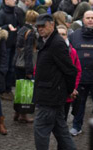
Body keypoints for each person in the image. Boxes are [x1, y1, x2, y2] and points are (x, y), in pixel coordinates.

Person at [33, 14, 77, 150]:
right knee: (61, 132)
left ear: (52, 25)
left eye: (43, 26)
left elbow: (70, 70)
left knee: (40, 130)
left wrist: (69, 91)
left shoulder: (57, 43)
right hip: (51, 95)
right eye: (38, 26)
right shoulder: (47, 41)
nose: (40, 29)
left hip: (49, 97)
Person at [0, 0, 25, 101]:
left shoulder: (15, 12)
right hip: (5, 45)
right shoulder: (1, 13)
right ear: (6, 0)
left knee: (12, 67)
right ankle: (2, 90)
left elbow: (18, 24)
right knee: (5, 67)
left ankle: (8, 88)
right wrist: (6, 26)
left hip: (14, 43)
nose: (15, 1)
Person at [13, 10, 39, 123]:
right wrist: (29, 70)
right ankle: (23, 115)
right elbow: (29, 51)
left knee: (20, 88)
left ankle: (17, 112)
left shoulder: (22, 29)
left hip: (18, 63)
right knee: (27, 90)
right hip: (25, 65)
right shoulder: (31, 32)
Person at [57, 25, 81, 121]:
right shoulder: (47, 49)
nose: (61, 36)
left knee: (63, 120)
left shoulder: (73, 52)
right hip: (52, 93)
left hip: (67, 92)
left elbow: (78, 71)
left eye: (63, 34)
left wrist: (73, 88)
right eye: (59, 34)